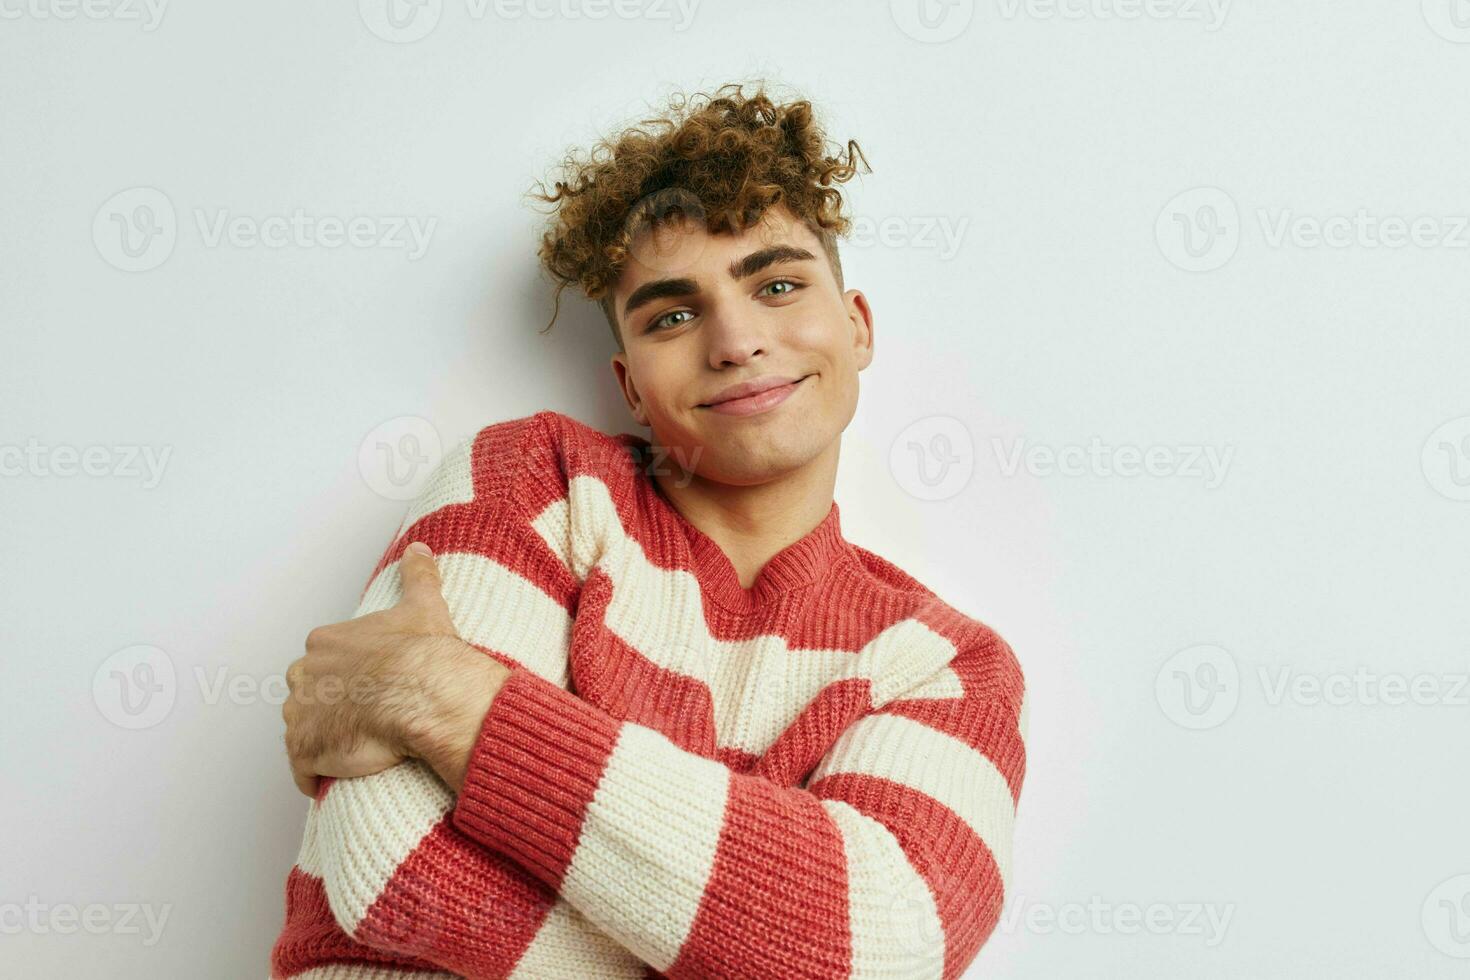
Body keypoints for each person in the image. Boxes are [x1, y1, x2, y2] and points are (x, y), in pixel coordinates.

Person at [269, 81, 1027, 980]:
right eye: (673, 314)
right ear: (630, 384)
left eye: (779, 284)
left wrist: (450, 697)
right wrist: (763, 932)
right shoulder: (533, 481)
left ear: (856, 328)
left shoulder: (944, 663)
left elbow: (887, 942)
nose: (736, 340)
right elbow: (393, 868)